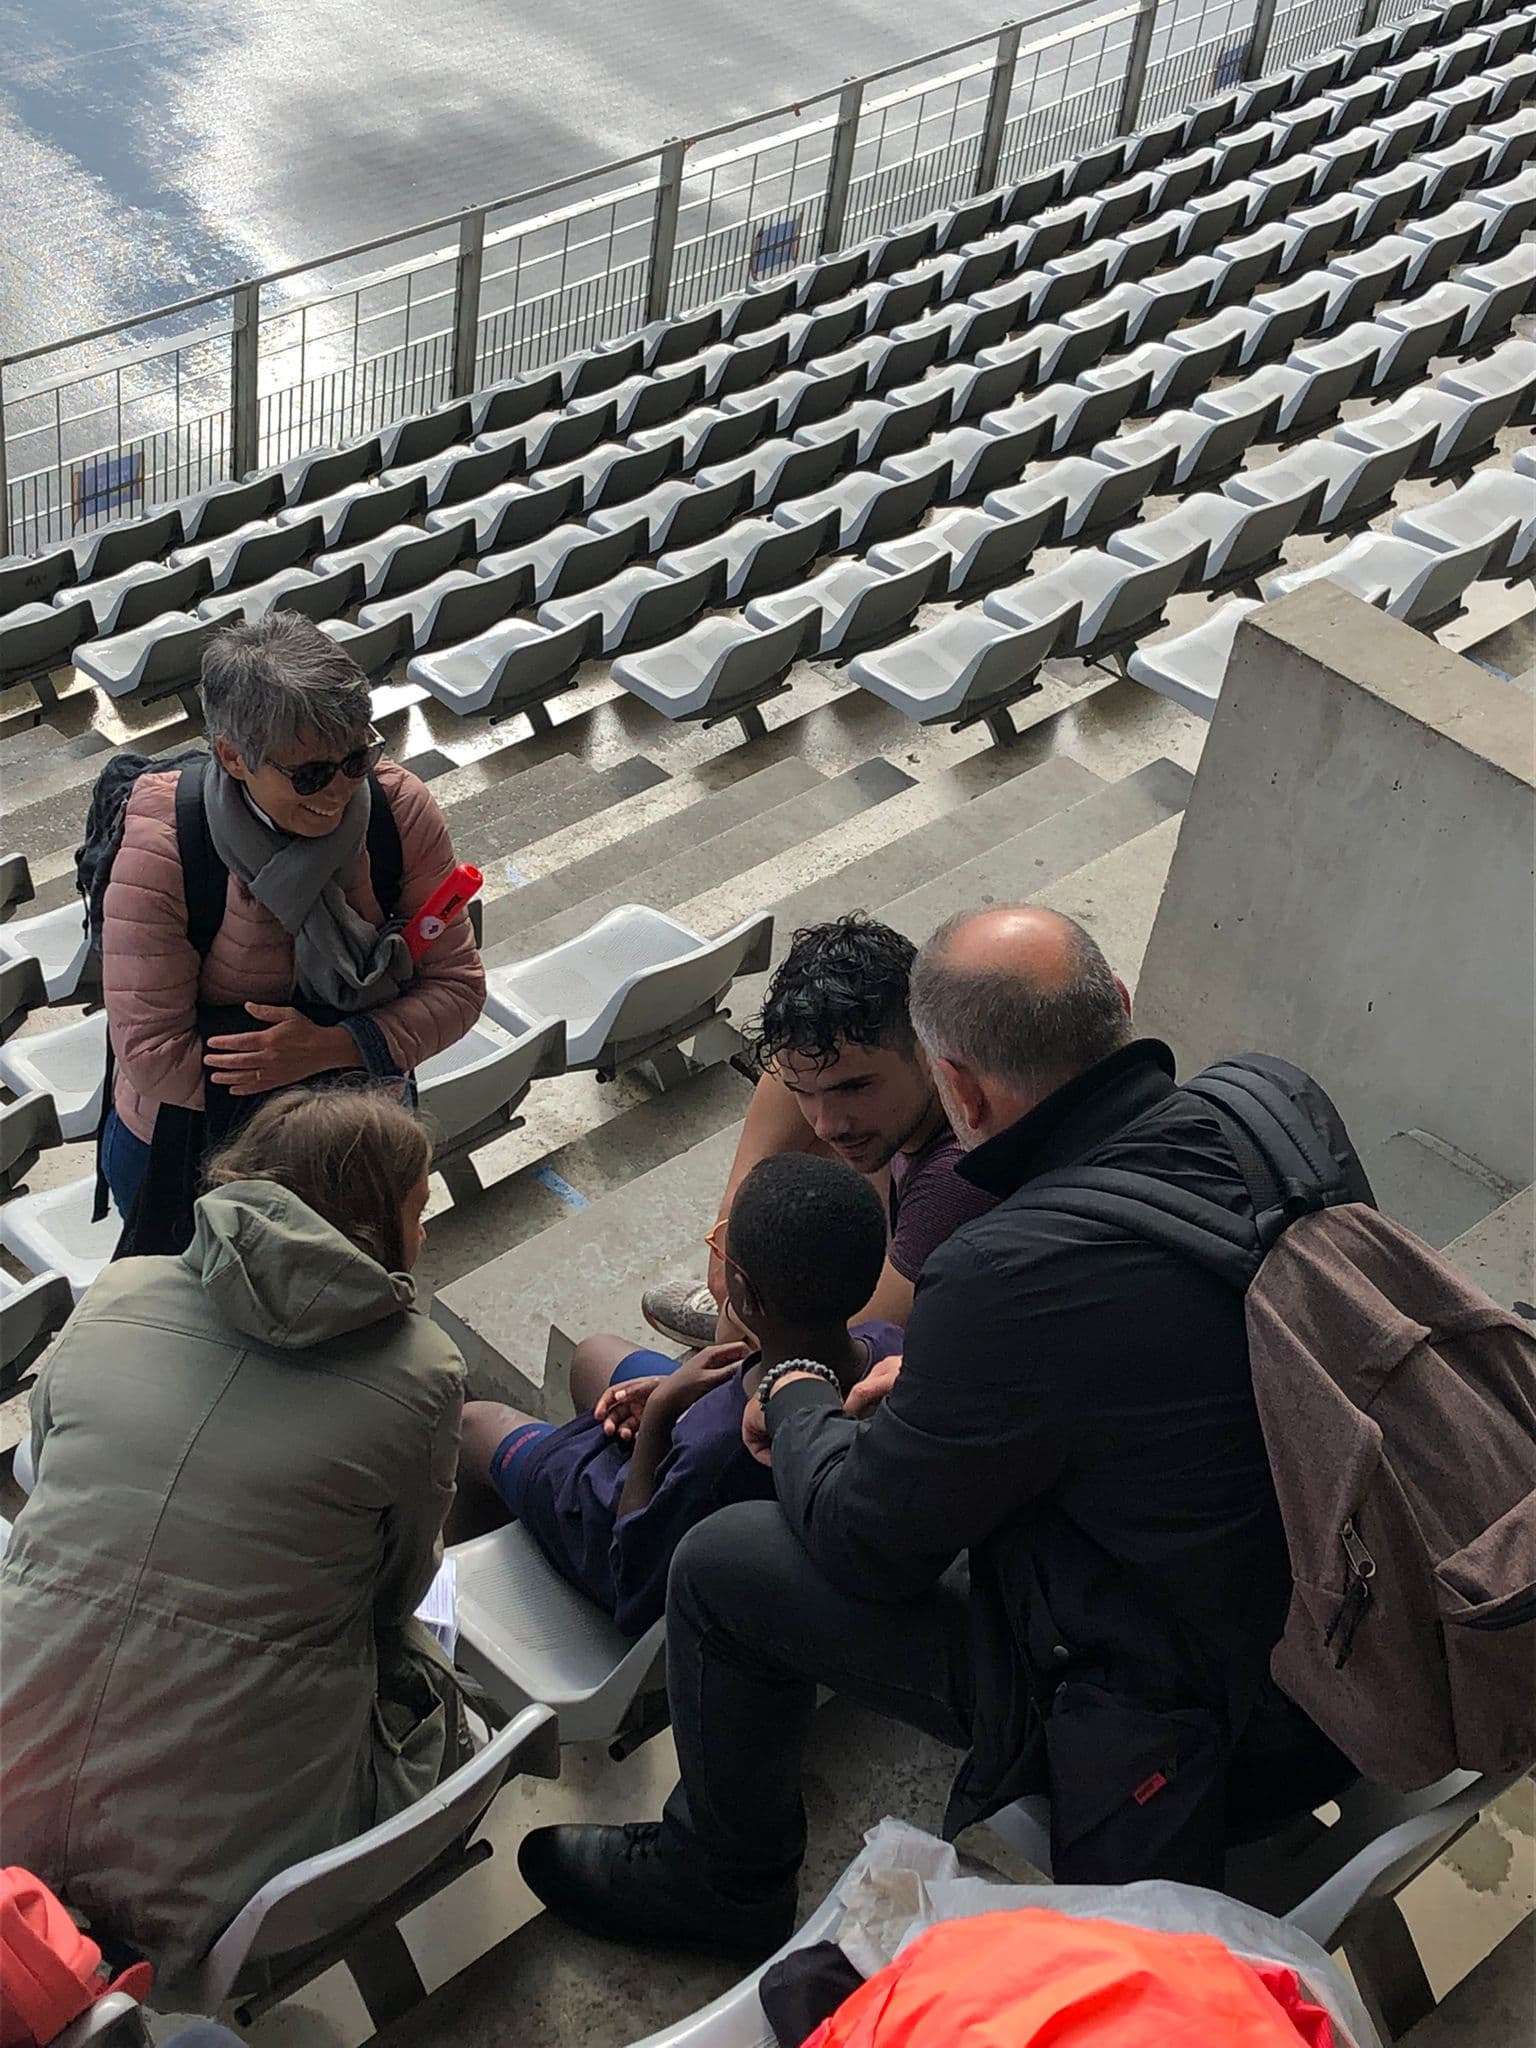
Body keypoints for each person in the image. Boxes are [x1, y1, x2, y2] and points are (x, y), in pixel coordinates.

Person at [516, 907, 1367, 1953]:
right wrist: (964, 1379)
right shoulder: (1266, 1103)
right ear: (1119, 1010)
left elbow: (863, 1539)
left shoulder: (1001, 1271)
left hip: (1211, 1723)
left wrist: (790, 1377)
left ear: (954, 1084)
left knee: (725, 1563)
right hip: (1356, 1622)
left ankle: (722, 1876)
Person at [0, 1087, 470, 1987]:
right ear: (372, 1217)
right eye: (419, 1205)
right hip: (228, 1878)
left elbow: (44, 1467)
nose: (429, 1226)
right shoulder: (423, 1371)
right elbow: (399, 1588)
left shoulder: (123, 1284)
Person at [99, 610, 485, 1226]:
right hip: (194, 1147)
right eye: (309, 775)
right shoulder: (164, 843)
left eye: (356, 759)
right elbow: (151, 1051)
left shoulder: (397, 809)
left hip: (357, 1138)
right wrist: (319, 1090)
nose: (338, 793)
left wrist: (330, 1048)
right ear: (232, 756)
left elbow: (458, 987)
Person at [451, 1153, 898, 1636]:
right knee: (592, 1355)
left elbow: (633, 1580)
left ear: (743, 1293)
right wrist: (673, 1395)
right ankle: (593, 1468)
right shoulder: (887, 1348)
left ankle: (436, 1626)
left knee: (472, 1423)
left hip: (632, 1536)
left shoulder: (720, 1450)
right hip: (690, 1458)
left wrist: (661, 1415)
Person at [641, 915, 996, 1348]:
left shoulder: (956, 1176)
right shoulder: (918, 1064)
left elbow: (849, 1348)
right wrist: (732, 1224)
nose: (826, 1124)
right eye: (804, 1092)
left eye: (854, 1086)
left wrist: (740, 1309)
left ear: (926, 1048)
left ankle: (752, 1325)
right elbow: (797, 1071)